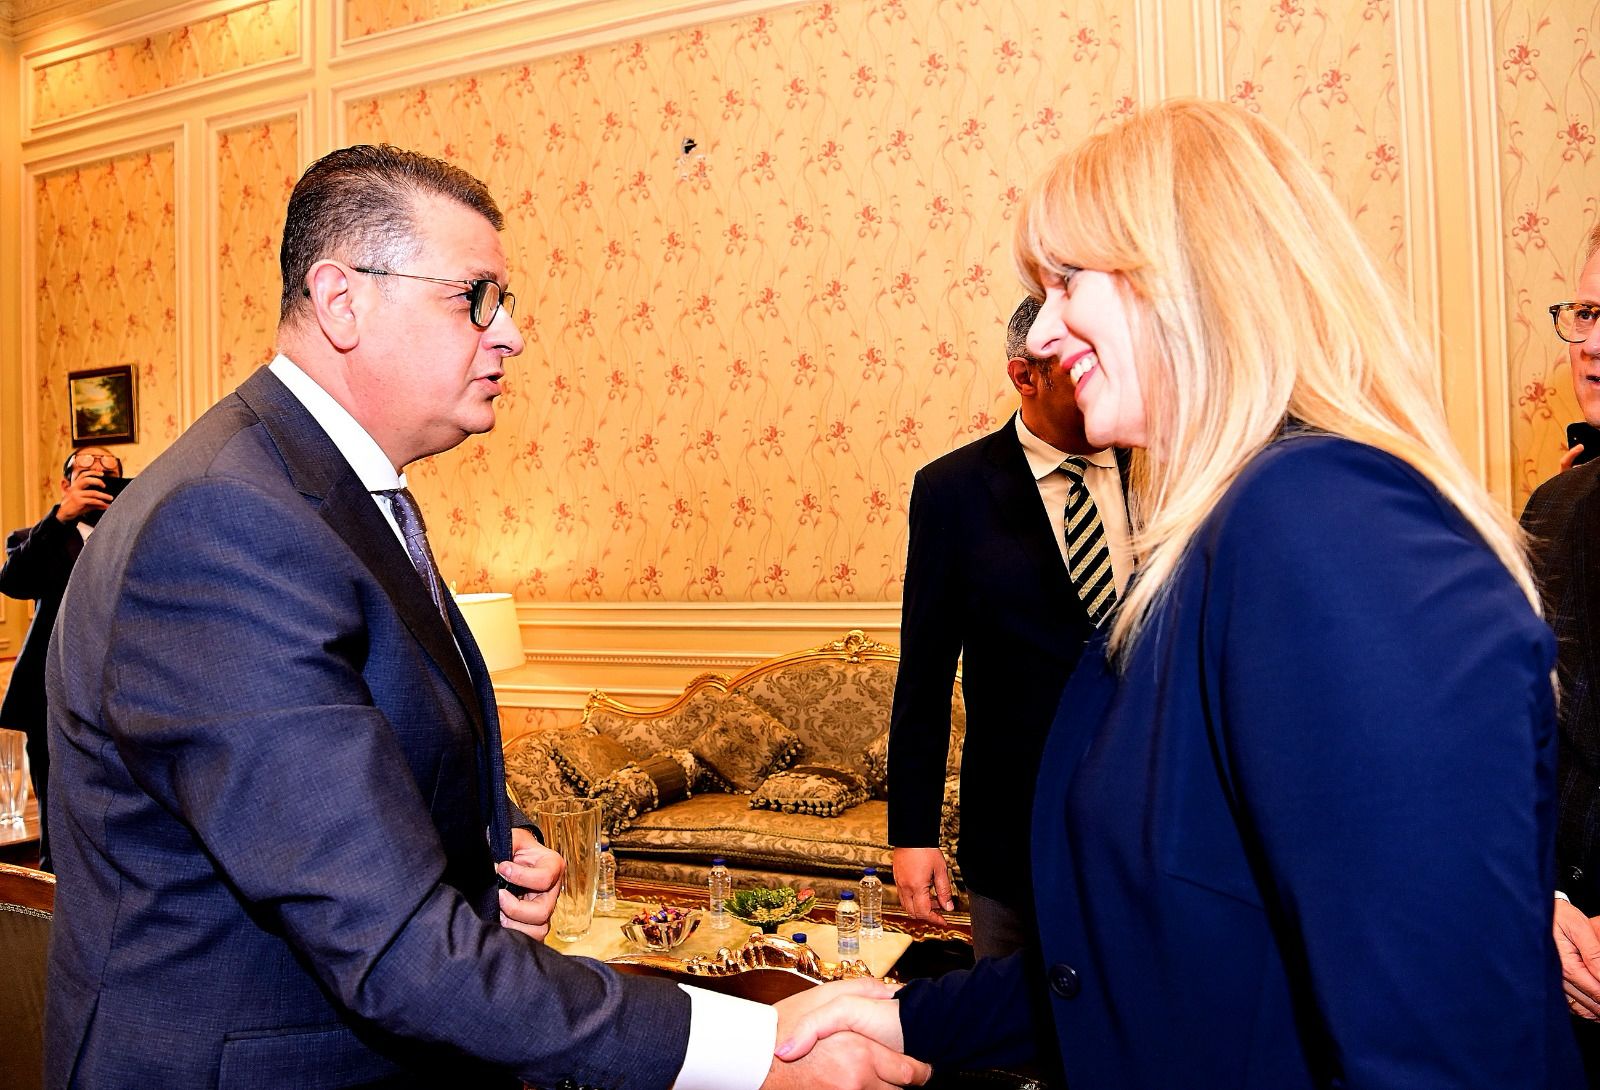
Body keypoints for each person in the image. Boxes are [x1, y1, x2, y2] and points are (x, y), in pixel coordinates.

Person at [45, 144, 927, 1090]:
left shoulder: (326, 491)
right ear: (342, 300)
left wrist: (495, 845)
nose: (509, 334)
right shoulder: (228, 522)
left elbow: (362, 757)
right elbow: (392, 946)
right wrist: (754, 1053)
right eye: (475, 297)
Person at [781, 99, 1581, 1087]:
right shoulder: (1237, 524)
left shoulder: (1322, 519)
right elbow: (1176, 964)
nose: (1046, 328)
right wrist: (905, 1017)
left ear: (1191, 271)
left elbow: (1444, 1052)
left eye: (1067, 281)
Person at [888, 296, 1128, 959]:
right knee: (1012, 1013)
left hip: (1149, 823)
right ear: (1026, 376)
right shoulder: (953, 491)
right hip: (1017, 829)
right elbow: (925, 675)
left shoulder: (1161, 468)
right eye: (1081, 364)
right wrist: (913, 834)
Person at [1520, 221, 1600, 1081]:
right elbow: (1516, 744)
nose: (1592, 345)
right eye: (1586, 312)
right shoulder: (1552, 509)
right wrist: (1541, 903)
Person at [0, 446, 123, 872]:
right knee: (57, 824)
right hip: (51, 701)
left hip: (116, 700)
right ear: (66, 484)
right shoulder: (35, 539)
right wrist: (60, 518)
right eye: (85, 467)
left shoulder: (131, 536)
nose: (98, 471)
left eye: (109, 470)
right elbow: (13, 581)